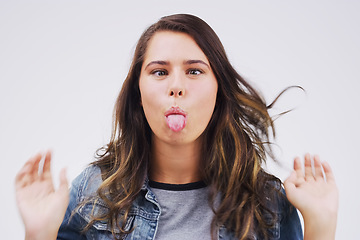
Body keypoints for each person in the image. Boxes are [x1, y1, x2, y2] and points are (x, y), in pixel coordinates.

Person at [15, 14, 338, 240]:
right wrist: (38, 234)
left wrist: (322, 226)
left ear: (219, 91)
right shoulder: (93, 193)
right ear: (138, 94)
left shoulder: (266, 200)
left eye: (195, 71)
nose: (176, 87)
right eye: (159, 72)